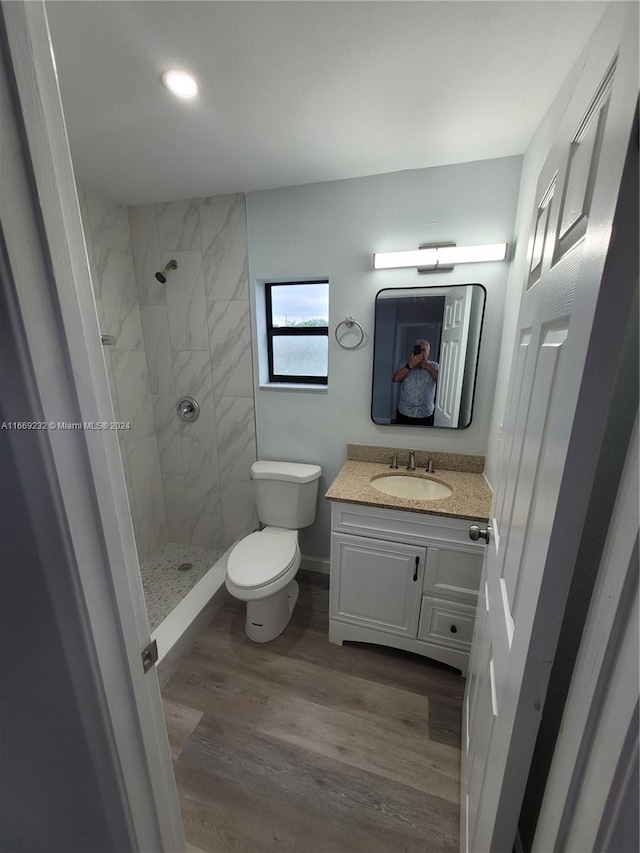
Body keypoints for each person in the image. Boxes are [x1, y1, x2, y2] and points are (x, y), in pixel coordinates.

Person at [393, 340, 439, 425]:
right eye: (418, 350)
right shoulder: (404, 365)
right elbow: (396, 379)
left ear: (428, 353)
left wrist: (426, 366)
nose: (421, 353)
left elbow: (442, 381)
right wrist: (410, 365)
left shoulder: (434, 366)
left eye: (424, 350)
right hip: (404, 412)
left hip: (426, 414)